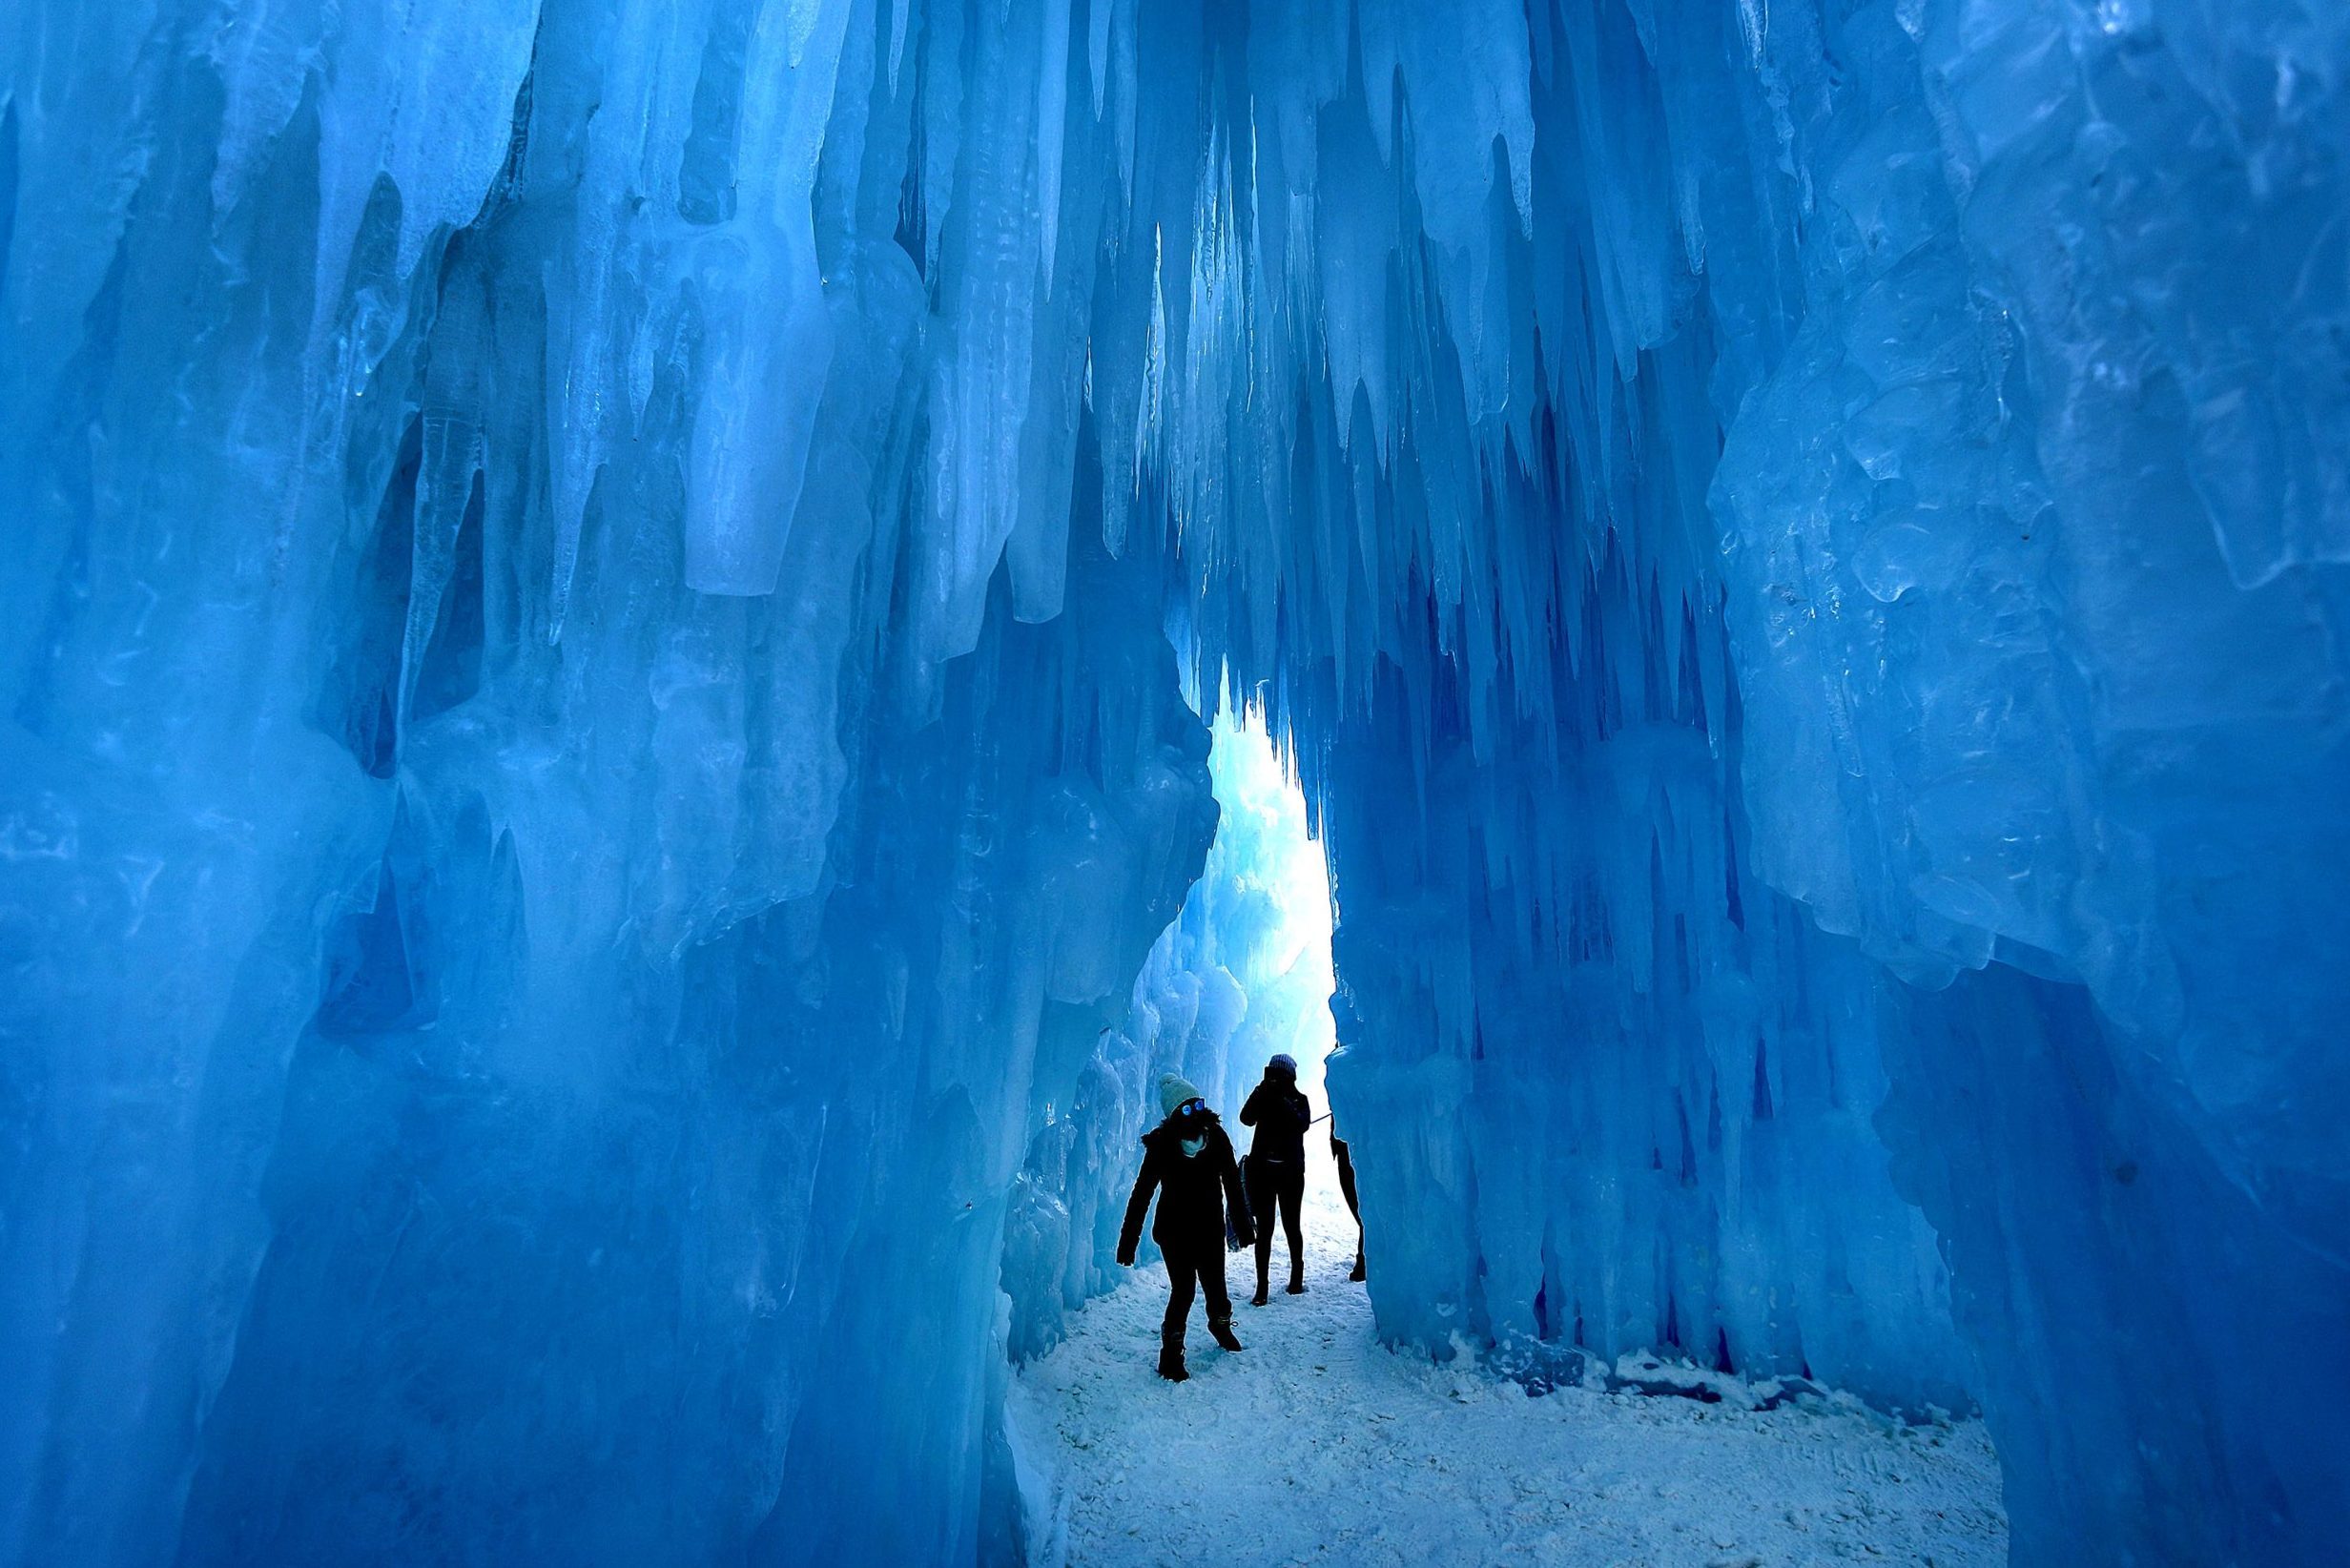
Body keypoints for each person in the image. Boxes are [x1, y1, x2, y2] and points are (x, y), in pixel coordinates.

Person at [1117, 1074, 1254, 1382]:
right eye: (1188, 1108)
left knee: (1217, 1287)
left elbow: (1233, 1183)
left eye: (1199, 1104)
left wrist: (1244, 1228)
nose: (1196, 1112)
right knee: (1184, 1291)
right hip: (1174, 1233)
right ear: (1175, 1115)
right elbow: (1142, 1194)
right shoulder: (1162, 1147)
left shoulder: (1216, 1138)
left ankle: (1220, 1324)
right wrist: (1128, 1242)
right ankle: (1170, 1355)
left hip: (1208, 1229)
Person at [1239, 1053, 1311, 1304]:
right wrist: (1261, 1091)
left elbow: (1301, 1124)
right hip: (1263, 1173)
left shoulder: (1299, 1100)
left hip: (1291, 1174)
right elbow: (1245, 1118)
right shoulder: (1264, 1096)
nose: (1275, 1078)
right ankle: (1262, 1287)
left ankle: (1296, 1277)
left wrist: (1280, 1098)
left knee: (1292, 1226)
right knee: (1266, 1230)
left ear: (1290, 1077)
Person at [1331, 1122, 1367, 1282]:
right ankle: (1365, 1259)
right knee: (1363, 1212)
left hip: (1351, 1155)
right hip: (1347, 1154)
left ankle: (1364, 1261)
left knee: (1364, 1214)